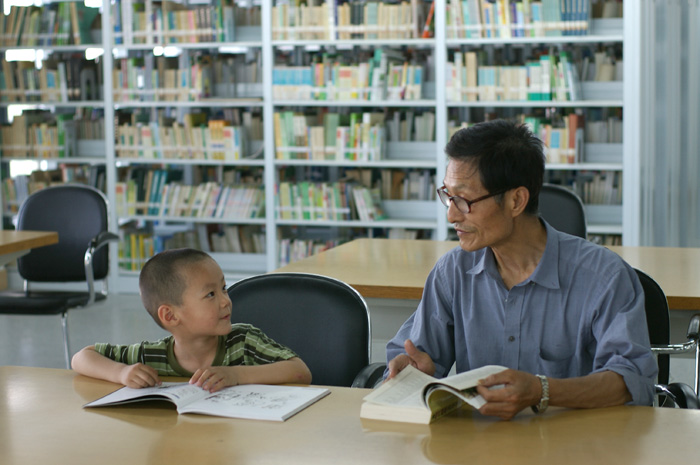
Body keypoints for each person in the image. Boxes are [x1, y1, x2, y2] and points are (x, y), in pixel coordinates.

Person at [385, 119, 657, 420]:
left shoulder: (603, 277)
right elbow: (416, 354)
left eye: (463, 200)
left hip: (575, 446)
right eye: (448, 196)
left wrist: (543, 391)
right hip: (479, 448)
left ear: (516, 200)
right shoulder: (452, 272)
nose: (451, 214)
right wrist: (410, 371)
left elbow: (632, 381)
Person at [72, 248, 311, 392]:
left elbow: (300, 372)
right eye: (210, 294)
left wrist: (235, 376)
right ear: (170, 316)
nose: (226, 301)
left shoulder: (243, 341)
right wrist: (121, 373)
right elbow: (82, 358)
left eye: (224, 288)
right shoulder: (152, 356)